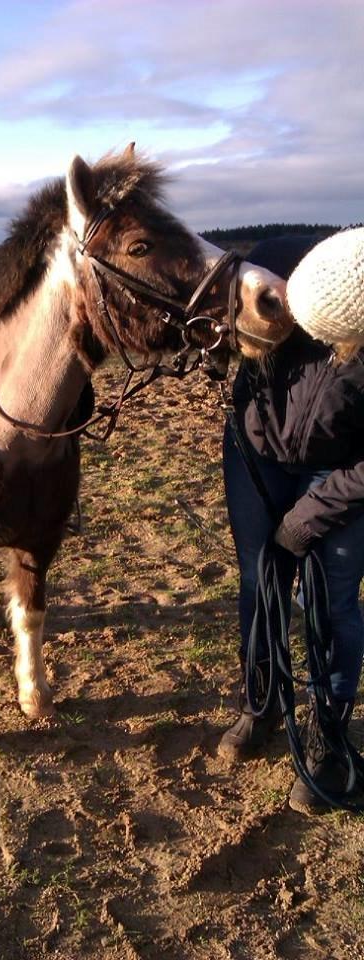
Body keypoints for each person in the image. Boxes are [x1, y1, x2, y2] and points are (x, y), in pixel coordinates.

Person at [218, 227, 364, 814]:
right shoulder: (283, 263)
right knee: (260, 582)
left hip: (343, 476)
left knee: (335, 603)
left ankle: (328, 733)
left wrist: (310, 515)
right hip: (256, 455)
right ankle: (260, 705)